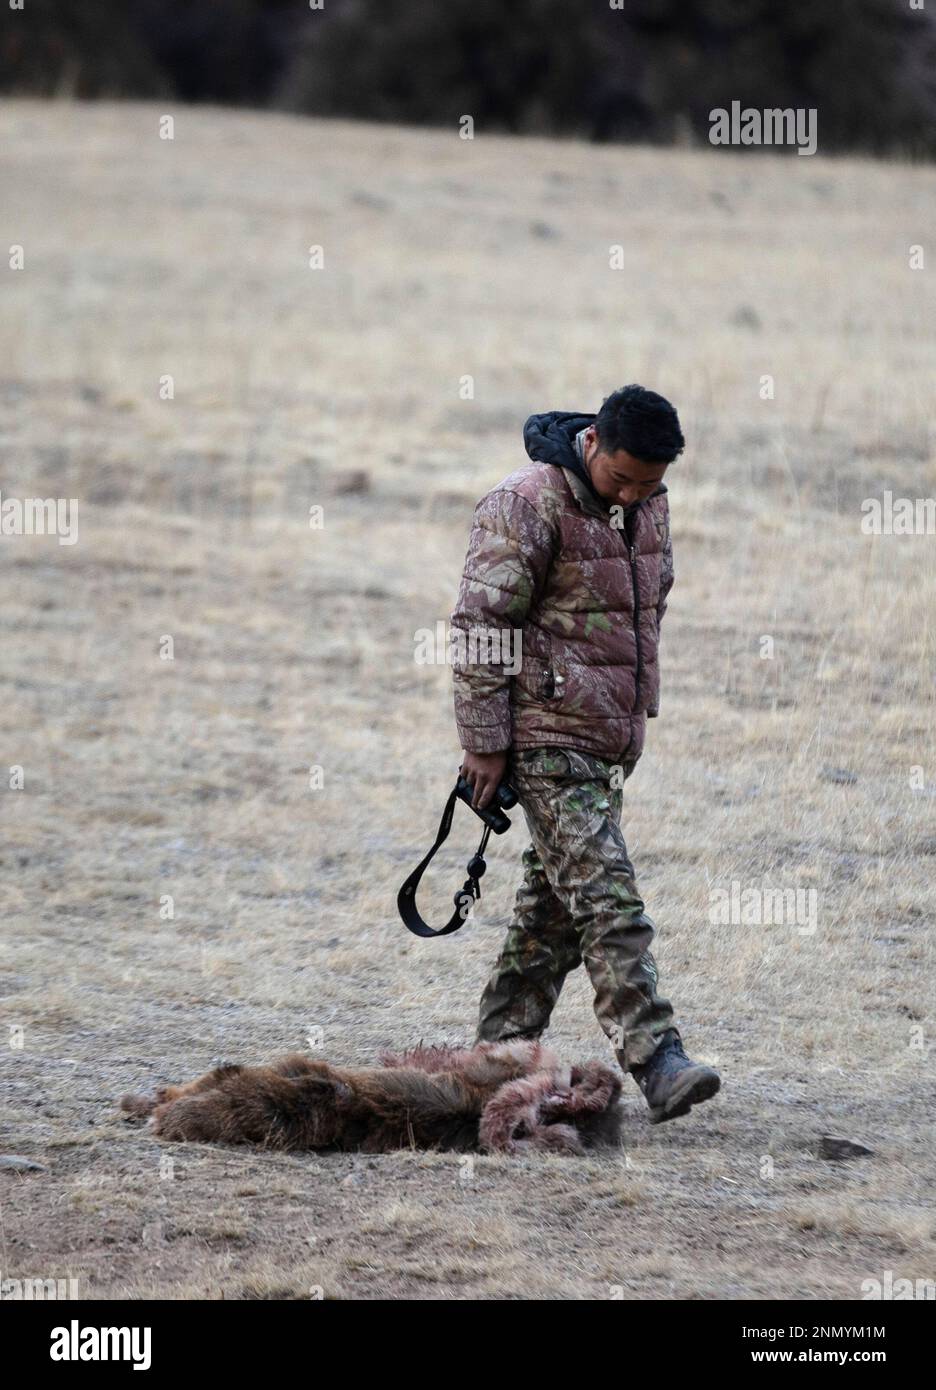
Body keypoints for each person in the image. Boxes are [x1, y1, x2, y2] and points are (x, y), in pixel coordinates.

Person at [450, 386, 721, 1123]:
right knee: (608, 897)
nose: (634, 493)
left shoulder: (648, 503)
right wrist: (484, 742)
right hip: (543, 737)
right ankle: (656, 1056)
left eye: (650, 484)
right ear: (592, 442)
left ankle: (488, 1069)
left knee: (550, 923)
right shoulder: (525, 503)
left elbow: (644, 612)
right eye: (622, 478)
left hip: (607, 742)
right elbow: (481, 623)